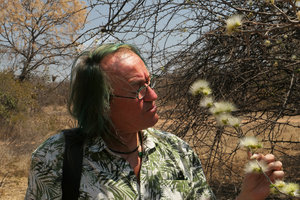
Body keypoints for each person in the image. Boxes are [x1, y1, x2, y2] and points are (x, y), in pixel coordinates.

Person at [25, 43, 284, 200]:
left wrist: (248, 196)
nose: (153, 95)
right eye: (138, 88)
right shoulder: (57, 157)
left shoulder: (178, 152)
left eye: (150, 82)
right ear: (102, 104)